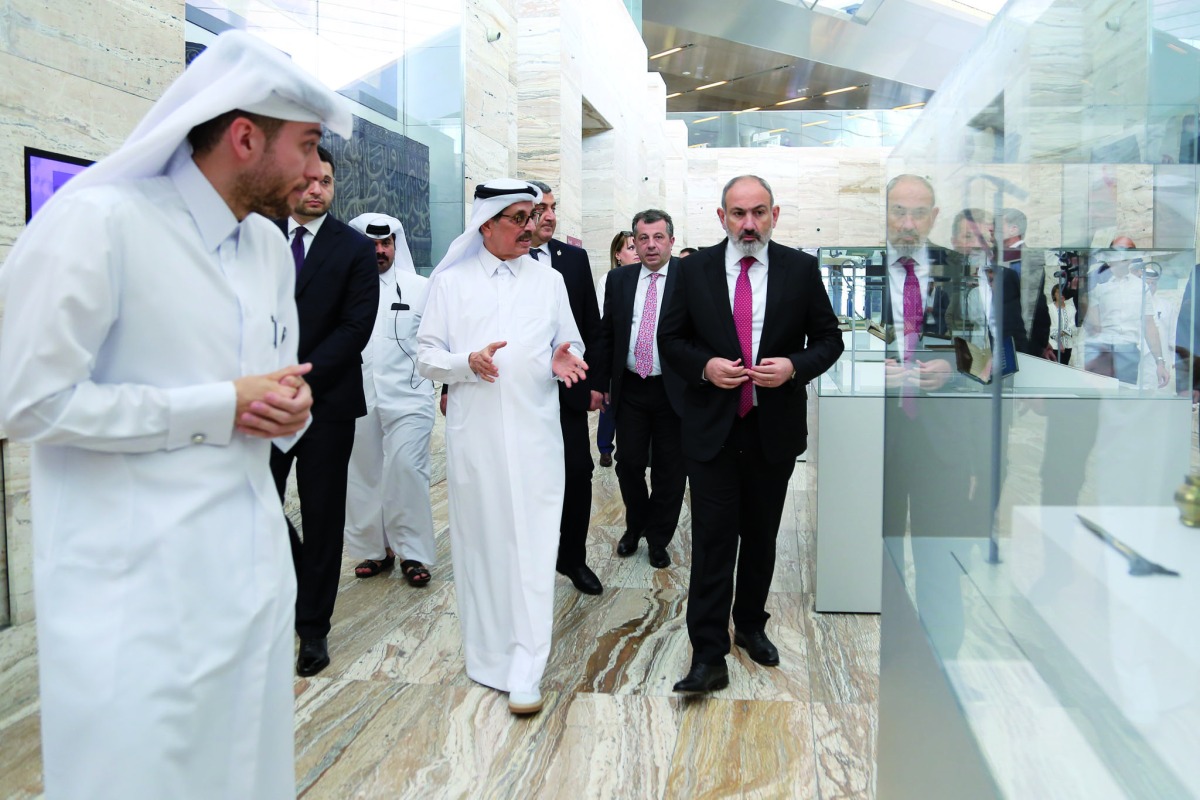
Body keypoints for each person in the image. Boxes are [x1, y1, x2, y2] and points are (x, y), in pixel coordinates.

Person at [0, 30, 349, 799]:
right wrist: (217, 406)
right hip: (137, 604)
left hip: (250, 589)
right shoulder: (99, 222)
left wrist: (292, 407)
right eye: (305, 145)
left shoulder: (267, 248)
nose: (315, 170)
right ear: (245, 137)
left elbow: (275, 389)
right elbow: (27, 401)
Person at [659, 175, 843, 693]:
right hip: (712, 431)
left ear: (774, 215)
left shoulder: (800, 269)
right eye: (738, 213)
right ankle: (708, 653)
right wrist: (705, 367)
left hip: (772, 429)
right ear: (722, 217)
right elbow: (670, 339)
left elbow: (829, 339)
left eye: (758, 212)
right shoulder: (692, 269)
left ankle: (751, 625)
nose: (748, 224)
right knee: (713, 540)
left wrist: (794, 366)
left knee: (761, 536)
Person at [416, 179, 587, 715]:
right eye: (518, 218)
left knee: (534, 548)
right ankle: (488, 656)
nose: (530, 226)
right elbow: (425, 356)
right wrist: (465, 363)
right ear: (486, 224)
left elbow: (570, 340)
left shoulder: (550, 280)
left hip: (537, 438)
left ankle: (527, 667)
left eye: (532, 216)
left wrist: (562, 357)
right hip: (477, 439)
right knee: (484, 546)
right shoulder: (451, 283)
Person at [271, 147, 378, 677]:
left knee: (322, 516)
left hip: (327, 402)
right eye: (308, 179)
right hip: (259, 401)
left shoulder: (354, 248)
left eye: (327, 181)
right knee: (254, 504)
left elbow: (355, 327)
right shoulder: (256, 235)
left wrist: (298, 378)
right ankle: (287, 591)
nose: (317, 189)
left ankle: (313, 628)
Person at [343, 212, 437, 586]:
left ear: (396, 245)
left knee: (407, 470)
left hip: (410, 397)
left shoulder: (420, 288)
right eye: (372, 244)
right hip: (358, 394)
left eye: (386, 243)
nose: (380, 251)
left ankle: (413, 553)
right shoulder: (342, 287)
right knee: (364, 474)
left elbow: (438, 341)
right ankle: (376, 549)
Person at [594, 210, 687, 568]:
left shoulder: (688, 278)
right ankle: (636, 526)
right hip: (631, 386)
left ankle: (659, 538)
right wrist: (601, 383)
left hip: (673, 390)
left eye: (658, 237)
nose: (650, 245)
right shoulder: (619, 280)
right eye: (643, 239)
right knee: (629, 464)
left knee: (669, 470)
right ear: (633, 242)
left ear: (671, 241)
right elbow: (607, 333)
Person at [527, 180, 605, 596]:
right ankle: (529, 559)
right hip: (517, 394)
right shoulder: (498, 259)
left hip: (567, 390)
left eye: (553, 208)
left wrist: (595, 383)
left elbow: (591, 324)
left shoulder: (572, 259)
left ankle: (572, 558)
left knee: (578, 472)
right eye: (541, 209)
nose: (550, 217)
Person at [1082, 247, 1169, 385]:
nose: (1121, 258)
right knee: (1099, 393)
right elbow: (1093, 327)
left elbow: (1149, 324)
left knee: (1125, 393)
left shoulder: (1141, 287)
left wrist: (1160, 362)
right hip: (1102, 350)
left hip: (1128, 351)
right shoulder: (1097, 286)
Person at [595, 230, 639, 467]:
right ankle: (605, 448)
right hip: (615, 352)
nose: (637, 252)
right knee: (609, 402)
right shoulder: (609, 279)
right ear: (618, 255)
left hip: (638, 356)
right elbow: (605, 320)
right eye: (631, 248)